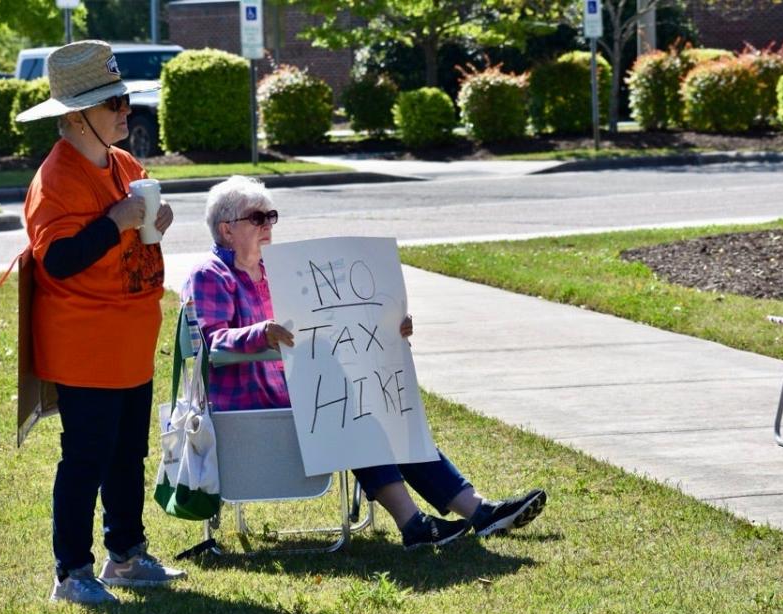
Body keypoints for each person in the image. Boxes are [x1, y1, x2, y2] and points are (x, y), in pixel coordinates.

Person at [182, 175, 547, 550]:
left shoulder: (275, 271)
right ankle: (416, 524)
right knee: (356, 416)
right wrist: (262, 334)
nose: (268, 226)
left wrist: (388, 327)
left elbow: (325, 325)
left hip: (297, 395)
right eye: (257, 218)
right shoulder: (211, 274)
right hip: (252, 408)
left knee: (384, 408)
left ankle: (479, 511)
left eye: (271, 216)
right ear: (227, 230)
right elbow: (214, 343)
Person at [17, 40, 183, 605]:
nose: (125, 110)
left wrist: (151, 219)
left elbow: (131, 225)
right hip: (86, 342)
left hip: (129, 340)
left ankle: (127, 555)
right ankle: (71, 573)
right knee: (86, 456)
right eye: (114, 101)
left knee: (127, 453)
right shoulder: (56, 178)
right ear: (75, 116)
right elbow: (57, 259)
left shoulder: (123, 164)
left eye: (124, 98)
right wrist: (116, 222)